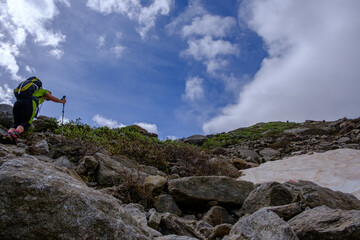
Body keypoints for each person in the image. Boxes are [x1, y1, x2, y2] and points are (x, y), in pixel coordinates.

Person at [1, 77, 66, 145]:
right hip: (29, 103)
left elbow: (47, 98)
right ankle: (14, 135)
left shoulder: (31, 91)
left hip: (18, 102)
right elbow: (52, 98)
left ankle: (8, 135)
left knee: (16, 123)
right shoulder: (43, 91)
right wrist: (61, 101)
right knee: (25, 123)